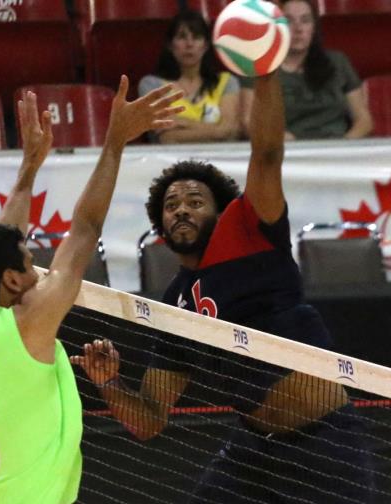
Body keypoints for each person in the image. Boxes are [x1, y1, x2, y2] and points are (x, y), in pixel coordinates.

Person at [71, 71, 375, 502]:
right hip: (252, 450)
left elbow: (267, 153)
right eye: (171, 206)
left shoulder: (250, 232)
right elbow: (149, 420)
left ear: (221, 211)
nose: (181, 210)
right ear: (161, 226)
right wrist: (110, 382)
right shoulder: (174, 304)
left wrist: (266, 74)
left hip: (323, 444)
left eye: (195, 202)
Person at [0, 77, 183, 503]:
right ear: (11, 280)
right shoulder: (25, 324)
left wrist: (29, 168)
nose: (39, 272)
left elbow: (3, 242)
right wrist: (114, 143)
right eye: (31, 263)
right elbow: (85, 229)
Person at [240, 0, 373, 140]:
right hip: (286, 150)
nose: (298, 29)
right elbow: (248, 122)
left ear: (314, 28)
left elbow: (364, 120)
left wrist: (344, 145)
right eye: (289, 21)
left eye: (305, 20)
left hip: (338, 148)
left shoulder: (338, 62)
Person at [139, 10, 240, 144]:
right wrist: (217, 131)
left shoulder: (227, 81)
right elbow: (167, 138)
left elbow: (230, 131)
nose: (189, 44)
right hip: (170, 161)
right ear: (170, 45)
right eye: (182, 37)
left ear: (205, 46)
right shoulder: (152, 85)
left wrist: (182, 122)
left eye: (196, 37)